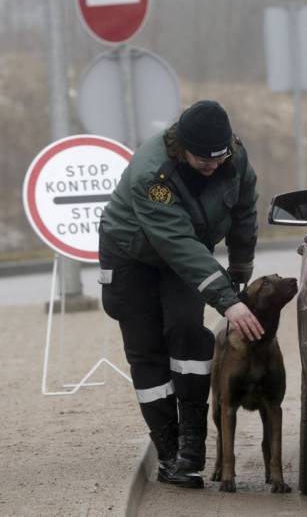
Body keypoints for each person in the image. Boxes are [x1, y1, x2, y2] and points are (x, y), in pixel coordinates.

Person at [98, 100, 262, 488]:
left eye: (219, 157)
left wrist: (240, 269)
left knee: (188, 332)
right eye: (203, 158)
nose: (213, 165)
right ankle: (169, 452)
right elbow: (177, 243)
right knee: (147, 350)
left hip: (185, 254)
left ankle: (192, 444)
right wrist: (227, 299)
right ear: (180, 146)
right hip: (131, 255)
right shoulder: (151, 174)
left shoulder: (234, 159)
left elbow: (244, 213)